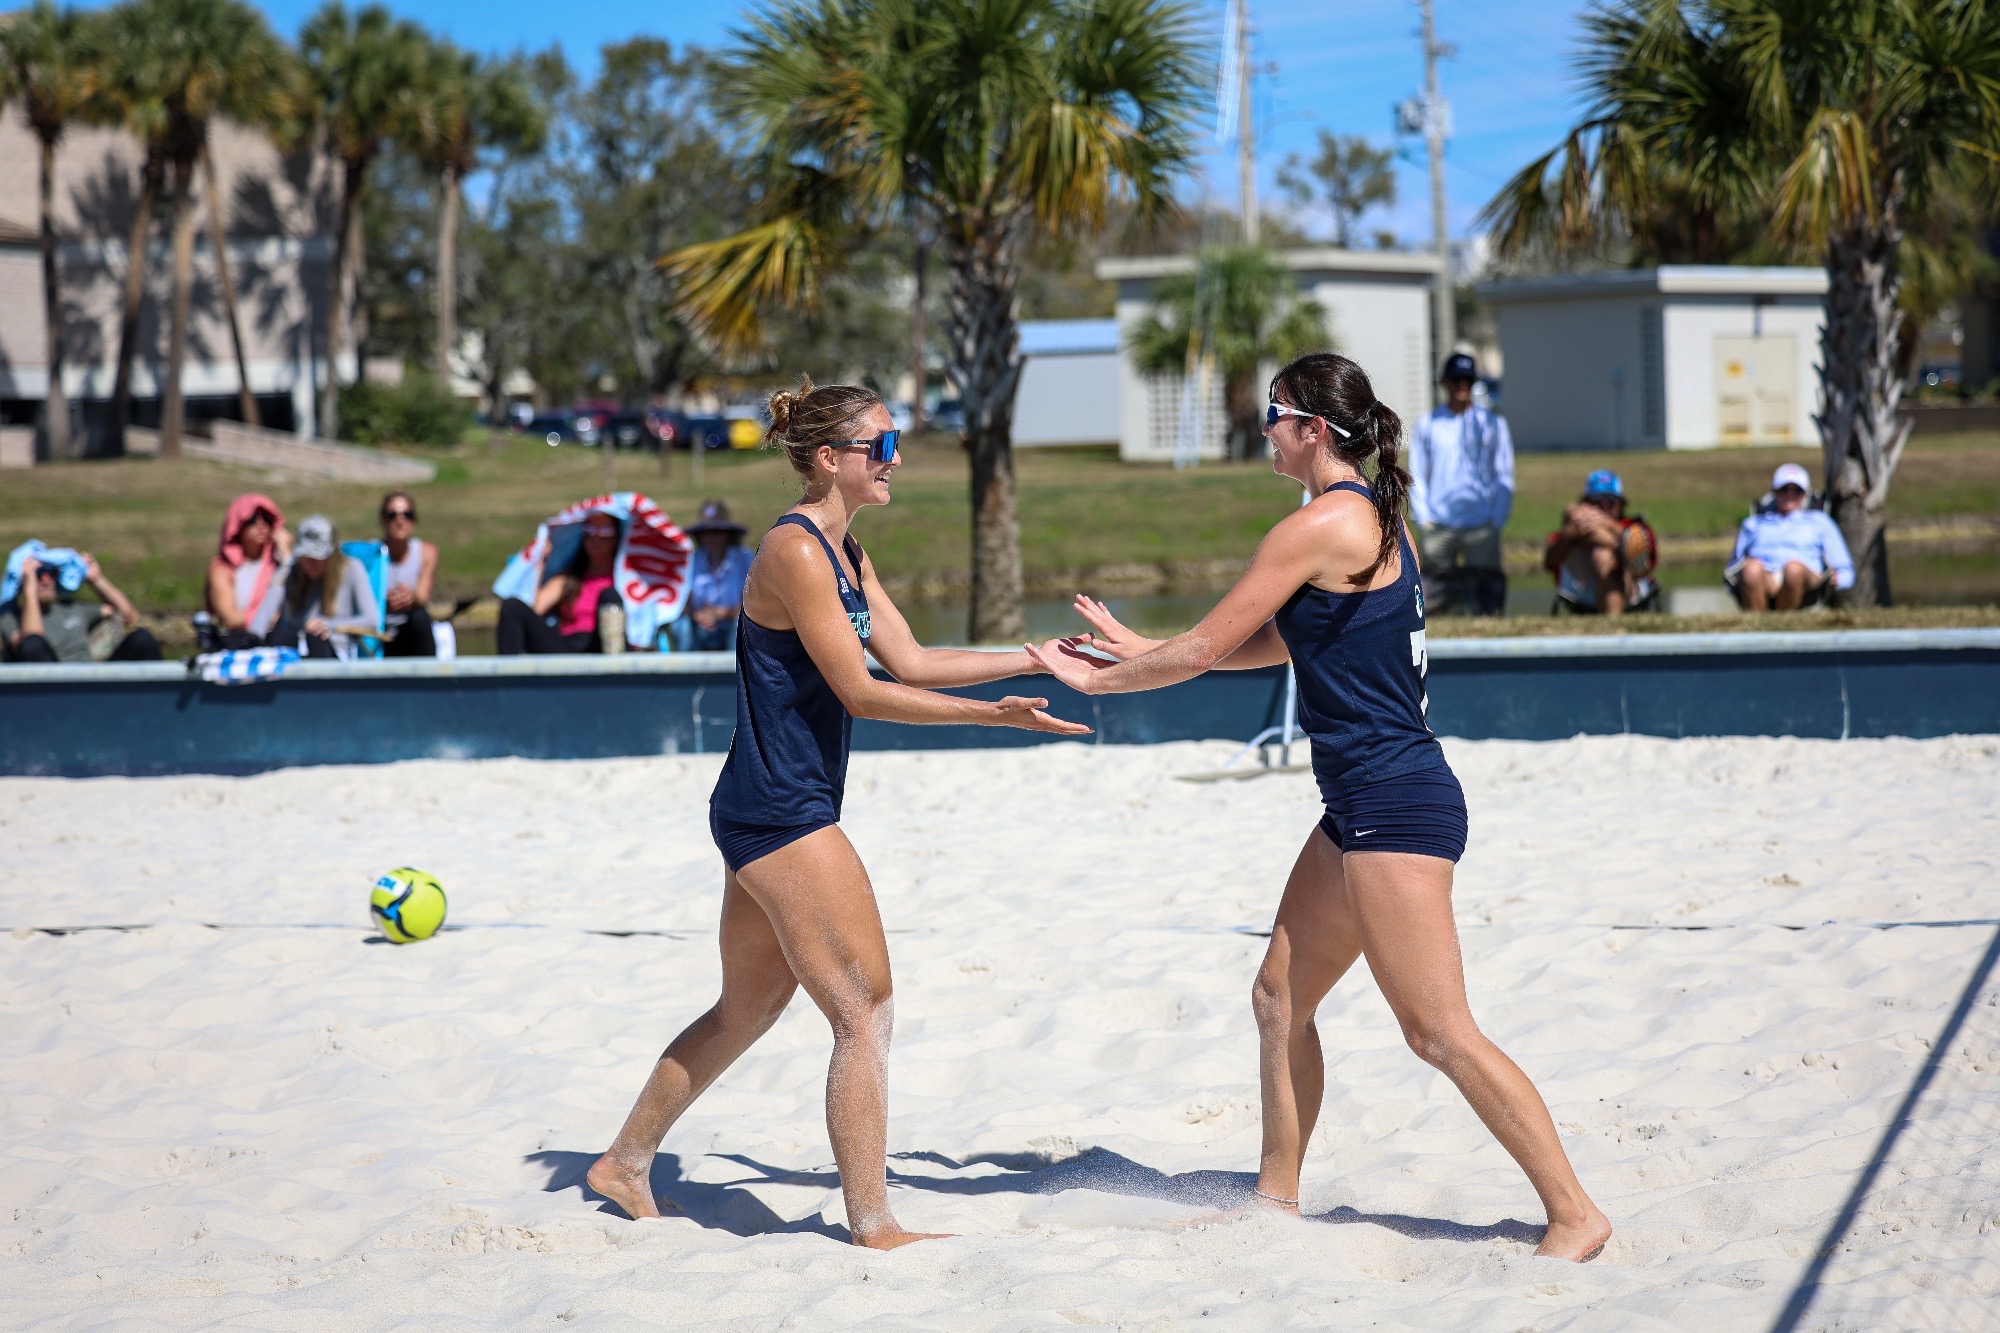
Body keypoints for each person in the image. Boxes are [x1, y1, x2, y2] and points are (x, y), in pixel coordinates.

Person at [1024, 352, 1611, 1262]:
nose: (1263, 427)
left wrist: (1104, 680)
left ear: (1312, 430)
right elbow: (1272, 641)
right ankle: (1277, 1196)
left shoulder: (1323, 523)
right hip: (1362, 806)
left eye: (1272, 412)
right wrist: (1145, 644)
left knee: (1438, 1031)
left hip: (1394, 807)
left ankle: (1575, 1211)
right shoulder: (1364, 517)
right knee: (1278, 997)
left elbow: (1204, 649)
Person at [585, 377, 1088, 1249]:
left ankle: (625, 1161)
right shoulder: (795, 551)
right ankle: (874, 1222)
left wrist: (1035, 660)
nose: (896, 460)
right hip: (782, 813)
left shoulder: (846, 550)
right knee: (866, 1008)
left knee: (745, 1007)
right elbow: (861, 690)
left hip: (763, 805)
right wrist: (993, 717)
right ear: (830, 458)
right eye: (881, 446)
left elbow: (914, 658)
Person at [1408, 352, 1514, 616]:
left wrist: (1497, 517)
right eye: (1456, 379)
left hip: (1481, 522)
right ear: (1444, 382)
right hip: (1439, 522)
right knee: (1434, 595)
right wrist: (1425, 519)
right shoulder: (1428, 424)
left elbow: (1503, 472)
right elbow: (1417, 473)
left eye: (1468, 379)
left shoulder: (1492, 423)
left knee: (1486, 594)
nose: (1462, 385)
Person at [496, 511, 625, 654]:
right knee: (511, 607)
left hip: (602, 646)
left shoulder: (628, 579)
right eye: (590, 530)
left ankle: (617, 666)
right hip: (566, 647)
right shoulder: (570, 579)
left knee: (609, 597)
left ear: (616, 536)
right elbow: (537, 608)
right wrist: (541, 562)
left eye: (604, 531)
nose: (596, 537)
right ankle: (511, 673)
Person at [1730, 463, 1854, 611]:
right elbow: (1733, 567)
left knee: (1793, 568)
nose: (1790, 495)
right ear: (1774, 492)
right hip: (1766, 577)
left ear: (1806, 493)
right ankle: (1758, 625)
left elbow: (1844, 568)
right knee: (1752, 568)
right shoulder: (1753, 523)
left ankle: (1784, 622)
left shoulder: (1820, 521)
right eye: (1784, 489)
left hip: (1806, 579)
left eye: (1797, 490)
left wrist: (1840, 579)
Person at [2, 546, 160, 663]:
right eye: (38, 574)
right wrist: (29, 589)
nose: (46, 580)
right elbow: (32, 645)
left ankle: (161, 701)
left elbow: (128, 616)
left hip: (89, 682)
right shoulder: (10, 618)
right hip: (51, 688)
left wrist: (96, 580)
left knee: (141, 638)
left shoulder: (73, 608)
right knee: (32, 644)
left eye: (51, 573)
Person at [1542, 470, 1659, 615]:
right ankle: (1622, 544)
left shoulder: (1634, 526)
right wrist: (1567, 535)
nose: (1604, 505)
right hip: (1583, 590)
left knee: (1603, 554)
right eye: (1597, 501)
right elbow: (1549, 562)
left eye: (1610, 500)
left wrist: (1605, 524)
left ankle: (1621, 545)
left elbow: (1649, 560)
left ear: (1621, 503)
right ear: (1586, 502)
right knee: (1601, 551)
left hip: (1629, 589)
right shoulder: (1572, 528)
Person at [274, 515, 381, 660]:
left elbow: (371, 620)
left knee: (315, 637)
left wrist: (328, 625)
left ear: (332, 552)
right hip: (297, 650)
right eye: (306, 556)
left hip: (334, 653)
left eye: (317, 557)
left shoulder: (352, 568)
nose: (311, 562)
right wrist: (285, 566)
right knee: (282, 636)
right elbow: (270, 614)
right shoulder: (295, 572)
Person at [203, 494, 292, 649]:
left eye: (266, 519)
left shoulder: (279, 564)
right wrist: (270, 617)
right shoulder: (223, 568)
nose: (260, 525)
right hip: (238, 642)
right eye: (251, 520)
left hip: (277, 640)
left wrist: (286, 555)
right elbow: (230, 618)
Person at [668, 499, 753, 652]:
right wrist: (697, 614)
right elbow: (681, 602)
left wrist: (721, 613)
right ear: (699, 535)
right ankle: (687, 673)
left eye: (718, 532)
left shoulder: (744, 558)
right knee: (681, 626)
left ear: (728, 534)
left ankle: (735, 672)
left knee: (740, 625)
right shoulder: (691, 560)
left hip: (732, 627)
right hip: (700, 627)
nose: (712, 537)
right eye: (706, 532)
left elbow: (753, 604)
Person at [378, 488, 438, 657]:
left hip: (411, 628)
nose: (400, 521)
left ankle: (431, 675)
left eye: (407, 515)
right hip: (381, 630)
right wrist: (385, 602)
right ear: (383, 520)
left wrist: (410, 596)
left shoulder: (427, 552)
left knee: (420, 617)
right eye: (393, 515)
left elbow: (423, 597)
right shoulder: (372, 554)